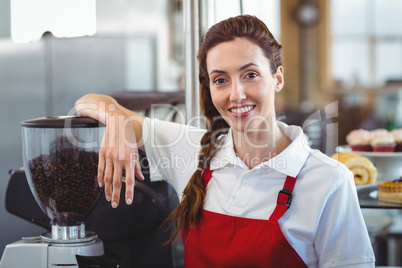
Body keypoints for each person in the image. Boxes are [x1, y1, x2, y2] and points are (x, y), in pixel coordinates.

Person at [75, 15, 375, 267]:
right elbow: (88, 101)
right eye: (221, 79)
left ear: (278, 78)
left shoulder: (329, 181)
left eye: (250, 75)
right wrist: (117, 121)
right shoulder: (191, 149)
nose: (236, 94)